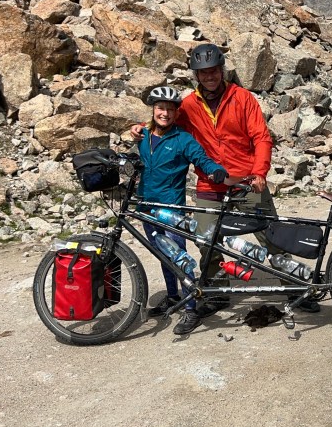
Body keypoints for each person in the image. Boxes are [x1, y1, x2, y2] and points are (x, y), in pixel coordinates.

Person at [132, 43, 319, 312]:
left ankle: (295, 288)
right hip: (210, 185)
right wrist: (139, 128)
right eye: (203, 72)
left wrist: (259, 172)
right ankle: (218, 294)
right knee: (205, 240)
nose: (209, 76)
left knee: (272, 236)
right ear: (196, 75)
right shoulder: (189, 105)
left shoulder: (242, 98)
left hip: (246, 181)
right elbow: (164, 121)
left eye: (213, 71)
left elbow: (261, 137)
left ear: (221, 70)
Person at [138, 84, 229, 335]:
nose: (165, 113)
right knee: (162, 254)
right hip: (146, 206)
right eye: (160, 108)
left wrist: (215, 170)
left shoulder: (183, 139)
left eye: (170, 109)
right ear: (153, 109)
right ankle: (172, 297)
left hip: (171, 208)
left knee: (179, 256)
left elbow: (201, 158)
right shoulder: (143, 135)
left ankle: (191, 309)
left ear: (176, 112)